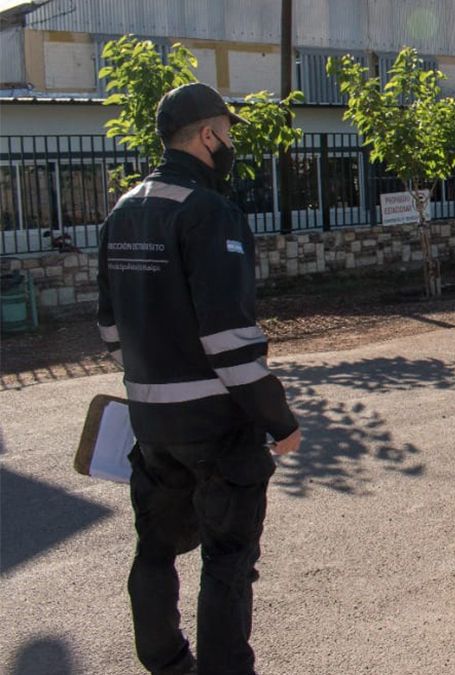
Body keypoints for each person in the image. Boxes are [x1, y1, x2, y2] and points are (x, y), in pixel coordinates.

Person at [96, 82, 302, 674]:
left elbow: (110, 328)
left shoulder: (124, 209)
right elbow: (230, 340)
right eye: (228, 132)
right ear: (208, 135)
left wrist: (153, 379)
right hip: (215, 424)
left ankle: (164, 661)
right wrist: (278, 420)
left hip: (151, 423)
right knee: (228, 560)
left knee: (156, 549)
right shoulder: (209, 212)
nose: (232, 143)